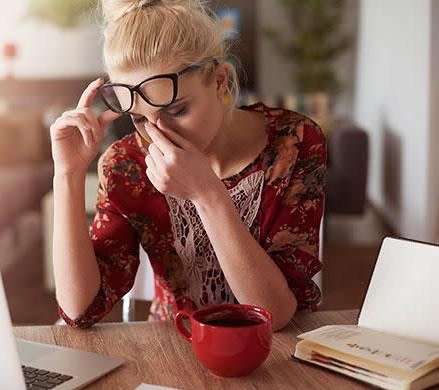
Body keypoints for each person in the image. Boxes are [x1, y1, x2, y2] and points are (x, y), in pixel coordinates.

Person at [49, 0, 326, 331]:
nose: (158, 134)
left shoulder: (293, 143)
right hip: (174, 348)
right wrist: (68, 174)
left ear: (220, 81)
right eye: (139, 118)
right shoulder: (128, 165)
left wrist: (207, 194)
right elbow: (80, 310)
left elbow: (275, 315)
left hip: (275, 359)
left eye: (177, 110)